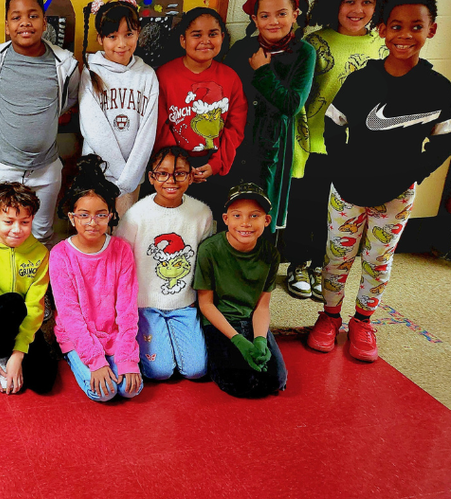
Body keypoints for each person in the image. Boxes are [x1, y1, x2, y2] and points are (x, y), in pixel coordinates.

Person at [307, 0, 451, 362]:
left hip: (396, 196)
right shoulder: (363, 81)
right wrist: (341, 166)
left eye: (416, 27)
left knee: (378, 260)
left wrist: (413, 175)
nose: (405, 35)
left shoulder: (436, 87)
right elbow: (333, 124)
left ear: (432, 30)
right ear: (382, 30)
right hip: (346, 189)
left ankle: (362, 322)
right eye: (396, 26)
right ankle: (328, 318)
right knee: (337, 256)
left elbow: (447, 141)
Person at [284, 0, 396, 301]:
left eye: (367, 2)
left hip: (358, 152)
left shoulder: (384, 46)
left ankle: (323, 267)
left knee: (339, 218)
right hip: (316, 146)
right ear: (335, 3)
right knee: (307, 208)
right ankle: (298, 265)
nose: (357, 10)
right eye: (349, 1)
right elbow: (300, 99)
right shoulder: (314, 43)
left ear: (380, 6)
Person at [0, 0, 80, 244]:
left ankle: (40, 287)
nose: (25, 23)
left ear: (45, 23)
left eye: (33, 16)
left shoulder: (65, 65)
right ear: (7, 25)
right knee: (4, 233)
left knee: (42, 232)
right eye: (17, 17)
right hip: (5, 164)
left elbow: (69, 99)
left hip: (46, 167)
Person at [49, 155, 142, 402]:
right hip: (78, 337)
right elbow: (70, 315)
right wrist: (96, 361)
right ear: (72, 217)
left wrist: (127, 357)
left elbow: (127, 308)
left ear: (111, 215)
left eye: (101, 215)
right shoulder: (60, 255)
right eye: (84, 215)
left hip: (114, 334)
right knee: (104, 393)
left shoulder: (121, 250)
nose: (92, 223)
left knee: (130, 390)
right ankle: (73, 358)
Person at [225, 0, 317, 232]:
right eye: (265, 16)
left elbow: (292, 104)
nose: (273, 21)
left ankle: (261, 263)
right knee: (233, 205)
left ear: (295, 15)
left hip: (273, 144)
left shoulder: (304, 53)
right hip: (239, 138)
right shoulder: (242, 49)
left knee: (263, 208)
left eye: (282, 14)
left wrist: (263, 71)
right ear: (255, 19)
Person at [116, 146, 213, 381]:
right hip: (146, 306)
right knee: (160, 371)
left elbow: (204, 263)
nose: (171, 180)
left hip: (184, 305)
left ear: (191, 176)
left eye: (180, 173)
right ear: (151, 177)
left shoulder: (202, 213)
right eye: (162, 173)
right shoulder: (136, 215)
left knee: (196, 370)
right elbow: (121, 264)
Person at [194, 182, 287, 398]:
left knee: (276, 380)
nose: (245, 223)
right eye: (237, 216)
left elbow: (262, 306)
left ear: (267, 220)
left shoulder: (271, 255)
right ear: (226, 219)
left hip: (250, 318)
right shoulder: (209, 250)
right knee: (239, 383)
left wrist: (260, 340)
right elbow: (206, 304)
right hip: (219, 322)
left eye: (254, 216)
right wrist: (238, 341)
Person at [0, 182, 58, 395]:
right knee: (11, 302)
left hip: (20, 322)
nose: (17, 229)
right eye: (8, 221)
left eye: (24, 222)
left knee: (44, 384)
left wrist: (19, 353)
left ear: (32, 219)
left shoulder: (40, 253)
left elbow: (35, 305)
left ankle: (11, 356)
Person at [155, 7, 246, 213]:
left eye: (212, 34)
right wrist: (178, 166)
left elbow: (236, 126)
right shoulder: (164, 75)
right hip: (172, 167)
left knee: (206, 222)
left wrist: (216, 164)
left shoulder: (230, 77)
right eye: (197, 35)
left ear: (222, 37)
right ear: (183, 41)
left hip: (213, 165)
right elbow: (159, 125)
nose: (205, 40)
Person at [77, 0, 159, 216]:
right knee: (97, 231)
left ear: (139, 33)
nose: (122, 44)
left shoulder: (147, 75)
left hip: (134, 176)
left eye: (129, 34)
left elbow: (148, 130)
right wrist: (119, 175)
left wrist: (129, 178)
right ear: (100, 39)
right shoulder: (91, 72)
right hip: (97, 173)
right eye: (113, 37)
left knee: (126, 234)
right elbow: (93, 128)